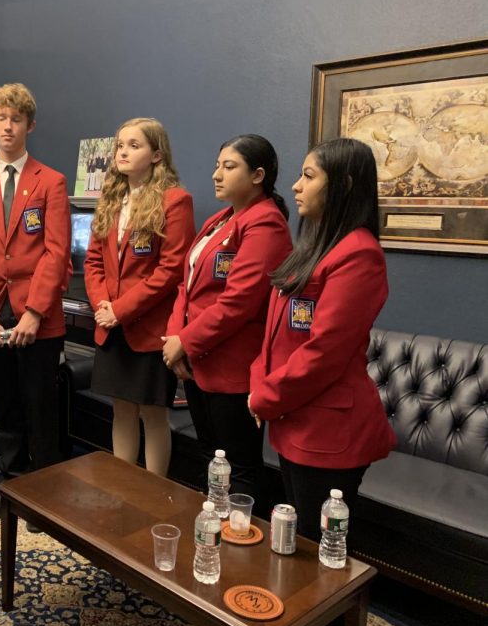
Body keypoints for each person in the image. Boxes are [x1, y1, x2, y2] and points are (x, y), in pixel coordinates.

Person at [248, 137, 396, 540]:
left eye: (309, 176)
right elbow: (275, 333)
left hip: (329, 432)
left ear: (343, 185)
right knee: (296, 544)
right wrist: (259, 381)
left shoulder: (359, 255)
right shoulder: (314, 247)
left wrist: (264, 396)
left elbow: (324, 352)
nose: (296, 185)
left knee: (317, 555)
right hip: (295, 419)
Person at [0, 83, 71, 525]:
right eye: (1, 118)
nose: (8, 126)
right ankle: (10, 489)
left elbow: (56, 253)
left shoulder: (51, 182)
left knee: (39, 403)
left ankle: (44, 497)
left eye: (16, 119)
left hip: (35, 312)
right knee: (3, 405)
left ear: (30, 125)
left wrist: (35, 313)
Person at [162, 134, 292, 501]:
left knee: (239, 467)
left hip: (232, 369)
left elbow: (238, 303)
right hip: (197, 361)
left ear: (258, 175)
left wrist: (184, 342)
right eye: (218, 166)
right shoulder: (222, 219)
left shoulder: (266, 224)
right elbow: (185, 287)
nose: (217, 175)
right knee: (211, 459)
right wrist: (176, 341)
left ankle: (236, 547)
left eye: (229, 167)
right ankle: (211, 532)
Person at [84, 118, 195, 476]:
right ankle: (123, 488)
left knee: (152, 413)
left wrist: (119, 309)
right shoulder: (111, 198)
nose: (123, 152)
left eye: (134, 145)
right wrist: (103, 305)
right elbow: (93, 261)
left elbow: (171, 270)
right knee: (121, 410)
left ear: (157, 155)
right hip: (111, 325)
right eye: (120, 145)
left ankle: (153, 493)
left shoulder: (175, 201)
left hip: (148, 330)